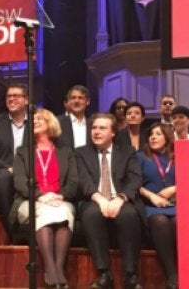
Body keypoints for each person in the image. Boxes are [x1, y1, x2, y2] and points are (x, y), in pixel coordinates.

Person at [10, 108, 78, 289]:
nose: (35, 121)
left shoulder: (66, 151)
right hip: (30, 201)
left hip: (60, 200)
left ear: (51, 123)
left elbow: (73, 182)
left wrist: (60, 195)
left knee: (63, 212)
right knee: (46, 215)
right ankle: (52, 268)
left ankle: (56, 269)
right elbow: (20, 183)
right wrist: (40, 196)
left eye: (40, 118)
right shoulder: (22, 152)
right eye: (32, 119)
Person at [76, 113, 144, 289]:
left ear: (113, 132)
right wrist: (100, 199)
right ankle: (104, 273)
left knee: (129, 215)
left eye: (102, 128)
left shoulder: (127, 152)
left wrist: (120, 199)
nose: (96, 132)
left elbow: (135, 179)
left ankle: (130, 275)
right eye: (94, 128)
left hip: (120, 198)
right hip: (93, 199)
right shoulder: (81, 153)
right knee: (91, 214)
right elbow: (83, 180)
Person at [0, 82, 30, 240]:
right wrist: (9, 167)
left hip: (30, 171)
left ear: (26, 100)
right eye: (9, 96)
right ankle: (13, 234)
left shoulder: (36, 122)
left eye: (16, 96)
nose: (11, 99)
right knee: (4, 177)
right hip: (1, 172)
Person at [138, 123, 178, 289]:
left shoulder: (178, 156)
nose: (153, 137)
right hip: (151, 205)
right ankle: (172, 276)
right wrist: (151, 196)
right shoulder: (140, 157)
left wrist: (175, 188)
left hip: (175, 204)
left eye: (158, 134)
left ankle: (187, 270)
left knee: (178, 222)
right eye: (151, 134)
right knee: (160, 221)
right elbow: (134, 184)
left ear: (167, 137)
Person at [58, 85, 92, 149]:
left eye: (80, 98)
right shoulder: (57, 122)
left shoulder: (92, 124)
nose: (76, 101)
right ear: (68, 101)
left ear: (88, 101)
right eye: (73, 98)